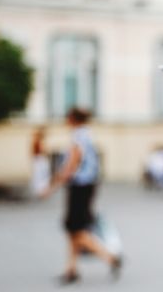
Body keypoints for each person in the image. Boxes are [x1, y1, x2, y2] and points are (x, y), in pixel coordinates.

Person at [41, 108, 123, 285]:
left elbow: (70, 166)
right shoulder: (87, 135)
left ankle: (111, 258)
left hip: (80, 187)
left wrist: (51, 186)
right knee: (73, 229)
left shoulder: (78, 137)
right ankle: (71, 269)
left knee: (77, 229)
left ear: (72, 119)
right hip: (86, 186)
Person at [30, 126, 51, 198]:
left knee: (40, 176)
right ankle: (41, 191)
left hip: (38, 160)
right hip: (40, 160)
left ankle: (41, 191)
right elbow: (43, 151)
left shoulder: (36, 141)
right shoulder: (38, 142)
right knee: (42, 176)